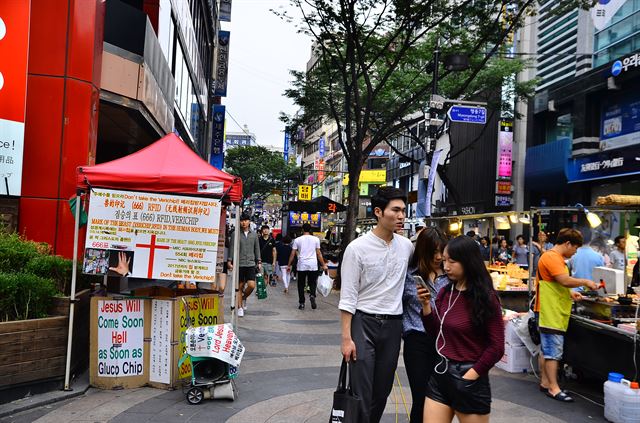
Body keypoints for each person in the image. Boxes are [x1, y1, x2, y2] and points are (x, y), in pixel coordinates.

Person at [339, 186, 413, 423]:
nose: (402, 216)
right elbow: (348, 296)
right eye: (396, 210)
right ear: (379, 212)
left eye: (404, 210)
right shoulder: (357, 248)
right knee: (361, 390)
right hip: (363, 323)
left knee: (383, 390)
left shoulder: (407, 247)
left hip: (393, 326)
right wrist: (346, 338)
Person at [417, 236, 504, 422]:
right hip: (441, 373)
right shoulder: (445, 293)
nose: (446, 266)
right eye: (445, 260)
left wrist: (470, 376)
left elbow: (497, 346)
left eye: (452, 261)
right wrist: (426, 306)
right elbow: (435, 332)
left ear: (468, 262)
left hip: (469, 375)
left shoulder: (486, 298)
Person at [534, 228, 598, 402]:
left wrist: (571, 293)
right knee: (553, 352)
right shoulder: (551, 257)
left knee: (547, 349)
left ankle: (546, 383)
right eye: (575, 248)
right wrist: (585, 281)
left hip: (552, 309)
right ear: (567, 243)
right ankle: (554, 389)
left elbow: (554, 282)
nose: (575, 252)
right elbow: (563, 280)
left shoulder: (555, 258)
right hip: (550, 311)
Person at [402, 227, 448, 423]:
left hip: (445, 342)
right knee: (420, 397)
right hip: (416, 340)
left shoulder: (451, 275)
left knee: (438, 398)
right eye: (433, 252)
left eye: (441, 251)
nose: (438, 257)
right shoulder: (409, 274)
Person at [288, 223, 328, 310]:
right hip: (313, 264)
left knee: (301, 284)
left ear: (302, 230)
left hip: (302, 265)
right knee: (312, 282)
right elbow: (319, 253)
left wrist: (289, 265)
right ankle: (312, 295)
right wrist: (324, 265)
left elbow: (292, 253)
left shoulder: (297, 240)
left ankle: (302, 303)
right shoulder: (316, 239)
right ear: (310, 230)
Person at [227, 214, 261, 318]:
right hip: (239, 263)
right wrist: (229, 261)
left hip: (250, 263)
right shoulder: (235, 234)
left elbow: (257, 249)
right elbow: (232, 248)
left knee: (251, 285)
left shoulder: (254, 235)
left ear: (249, 221)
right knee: (240, 286)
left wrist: (258, 261)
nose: (244, 222)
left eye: (246, 220)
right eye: (242, 221)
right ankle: (240, 307)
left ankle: (244, 297)